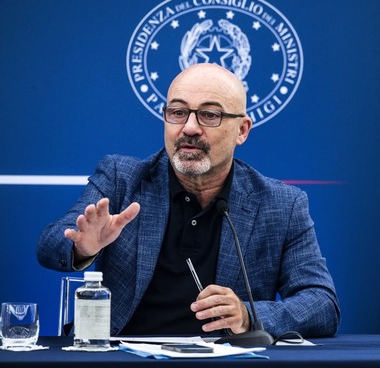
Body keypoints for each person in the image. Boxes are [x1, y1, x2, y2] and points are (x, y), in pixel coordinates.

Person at [36, 63, 340, 338]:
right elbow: (50, 246)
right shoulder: (121, 179)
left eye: (209, 115)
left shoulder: (281, 205)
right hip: (123, 357)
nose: (190, 128)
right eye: (178, 112)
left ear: (242, 130)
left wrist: (249, 315)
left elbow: (322, 303)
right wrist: (82, 247)